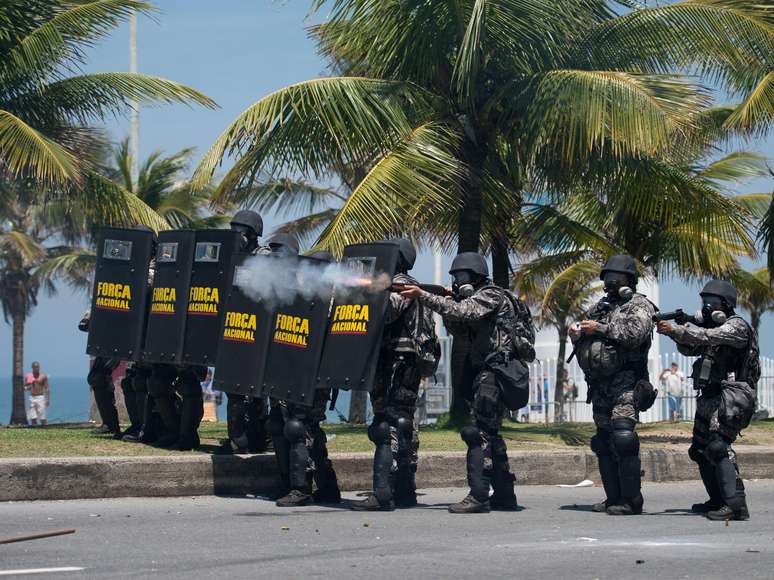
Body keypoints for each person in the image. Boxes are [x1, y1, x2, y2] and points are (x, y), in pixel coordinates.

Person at [399, 252, 535, 514]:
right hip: (491, 370)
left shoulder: (492, 294)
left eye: (462, 276)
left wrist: (424, 296)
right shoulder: (477, 299)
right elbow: (459, 325)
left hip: (496, 371)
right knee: (490, 433)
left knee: (477, 433)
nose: (459, 282)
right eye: (456, 277)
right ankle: (505, 495)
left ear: (476, 277)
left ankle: (479, 495)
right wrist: (450, 299)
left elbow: (465, 311)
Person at [657, 280, 757, 521]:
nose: (707, 307)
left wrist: (678, 329)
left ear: (726, 305)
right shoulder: (712, 328)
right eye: (705, 302)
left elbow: (707, 336)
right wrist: (677, 333)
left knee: (718, 446)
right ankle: (718, 499)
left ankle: (735, 505)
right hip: (710, 395)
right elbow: (691, 348)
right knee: (700, 450)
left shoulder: (736, 326)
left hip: (732, 395)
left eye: (712, 302)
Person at [349, 239, 432, 512]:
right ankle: (405, 490)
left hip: (399, 363)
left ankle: (384, 492)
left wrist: (367, 293)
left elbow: (383, 314)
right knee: (403, 424)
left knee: (388, 425)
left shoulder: (401, 284)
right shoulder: (406, 284)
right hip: (400, 363)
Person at [570, 254, 655, 516]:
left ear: (628, 280)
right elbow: (590, 343)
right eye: (606, 279)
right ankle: (613, 497)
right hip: (601, 386)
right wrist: (577, 335)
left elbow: (635, 334)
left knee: (623, 439)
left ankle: (632, 500)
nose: (609, 283)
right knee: (603, 442)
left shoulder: (640, 305)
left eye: (614, 278)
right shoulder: (601, 307)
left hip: (627, 384)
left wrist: (601, 328)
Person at [216, 211, 271, 455]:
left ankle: (259, 438)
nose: (235, 235)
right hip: (235, 330)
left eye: (239, 230)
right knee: (235, 391)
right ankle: (238, 439)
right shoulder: (231, 256)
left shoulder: (265, 258)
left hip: (257, 333)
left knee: (257, 391)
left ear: (251, 233)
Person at [24, 362, 50, 426]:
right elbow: (26, 387)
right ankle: (34, 431)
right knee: (32, 417)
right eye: (35, 367)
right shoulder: (28, 376)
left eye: (38, 367)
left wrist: (47, 399)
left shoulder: (43, 376)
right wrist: (27, 387)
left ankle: (45, 428)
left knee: (42, 416)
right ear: (32, 368)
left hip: (40, 397)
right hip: (32, 397)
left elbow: (47, 388)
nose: (37, 368)